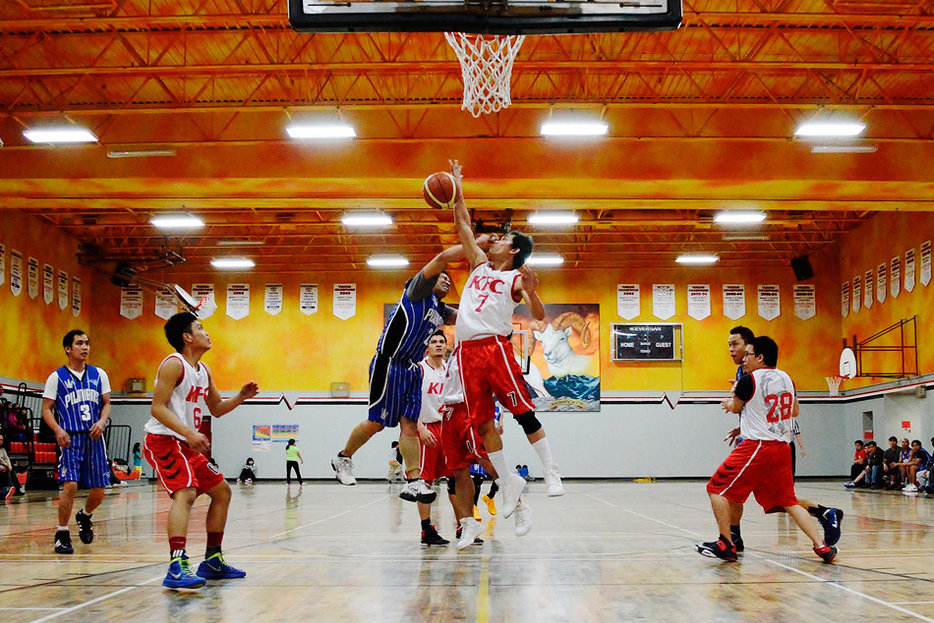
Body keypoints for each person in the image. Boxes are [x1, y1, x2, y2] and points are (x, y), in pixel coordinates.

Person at [450, 160, 564, 505]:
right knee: (483, 423)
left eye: (503, 240)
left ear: (513, 251)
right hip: (465, 353)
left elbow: (540, 316)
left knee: (522, 411)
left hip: (494, 349)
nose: (495, 241)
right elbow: (463, 227)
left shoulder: (514, 278)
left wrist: (534, 289)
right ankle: (509, 482)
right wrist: (457, 188)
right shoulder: (479, 264)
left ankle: (550, 469)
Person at [330, 245, 463, 487]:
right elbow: (442, 258)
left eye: (448, 280)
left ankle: (414, 481)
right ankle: (343, 458)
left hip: (412, 369)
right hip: (389, 361)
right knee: (377, 423)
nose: (446, 280)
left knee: (410, 426)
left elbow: (466, 317)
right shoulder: (417, 291)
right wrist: (474, 245)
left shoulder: (440, 310)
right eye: (442, 277)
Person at [144, 311, 258, 589]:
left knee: (222, 491)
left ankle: (212, 560)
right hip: (163, 441)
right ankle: (176, 564)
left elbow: (217, 409)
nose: (207, 333)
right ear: (187, 337)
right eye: (201, 328)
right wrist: (190, 433)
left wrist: (241, 397)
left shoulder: (203, 371)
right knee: (186, 492)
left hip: (185, 443)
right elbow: (157, 408)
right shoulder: (173, 364)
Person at [697, 336, 837, 564]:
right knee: (788, 501)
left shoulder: (748, 380)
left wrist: (729, 402)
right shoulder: (787, 378)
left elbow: (735, 408)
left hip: (757, 446)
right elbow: (794, 411)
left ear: (760, 357)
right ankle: (822, 547)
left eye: (748, 355)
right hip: (782, 447)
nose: (743, 359)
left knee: (716, 489)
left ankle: (725, 543)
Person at [41, 329, 112, 555]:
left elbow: (107, 403)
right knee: (70, 485)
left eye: (87, 343)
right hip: (70, 438)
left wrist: (101, 421)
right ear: (68, 349)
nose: (85, 347)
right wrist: (58, 429)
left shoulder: (99, 374)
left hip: (94, 437)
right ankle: (62, 533)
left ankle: (85, 515)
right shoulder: (56, 377)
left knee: (99, 490)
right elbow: (46, 410)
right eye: (80, 343)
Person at [409, 329, 450, 546]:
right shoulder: (419, 370)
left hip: (449, 429)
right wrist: (420, 429)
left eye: (441, 341)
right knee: (425, 482)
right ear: (427, 346)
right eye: (434, 341)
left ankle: (464, 525)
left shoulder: (449, 370)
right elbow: (408, 403)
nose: (438, 345)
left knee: (457, 477)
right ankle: (426, 530)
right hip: (427, 429)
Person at [0, 432, 15, 500]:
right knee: (4, 467)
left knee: (10, 467)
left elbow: (7, 458)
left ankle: (9, 488)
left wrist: (9, 465)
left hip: (3, 466)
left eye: (1, 440)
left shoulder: (2, 449)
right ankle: (8, 488)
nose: (0, 441)